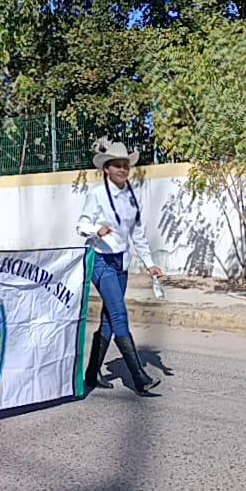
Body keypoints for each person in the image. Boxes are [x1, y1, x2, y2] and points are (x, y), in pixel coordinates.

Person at [77, 139, 164, 395]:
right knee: (119, 315)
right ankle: (139, 377)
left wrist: (150, 264)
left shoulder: (131, 197)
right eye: (117, 165)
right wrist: (97, 230)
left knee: (108, 320)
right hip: (101, 261)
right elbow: (81, 225)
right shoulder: (96, 194)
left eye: (125, 165)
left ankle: (91, 374)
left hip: (121, 263)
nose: (123, 170)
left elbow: (137, 234)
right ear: (106, 169)